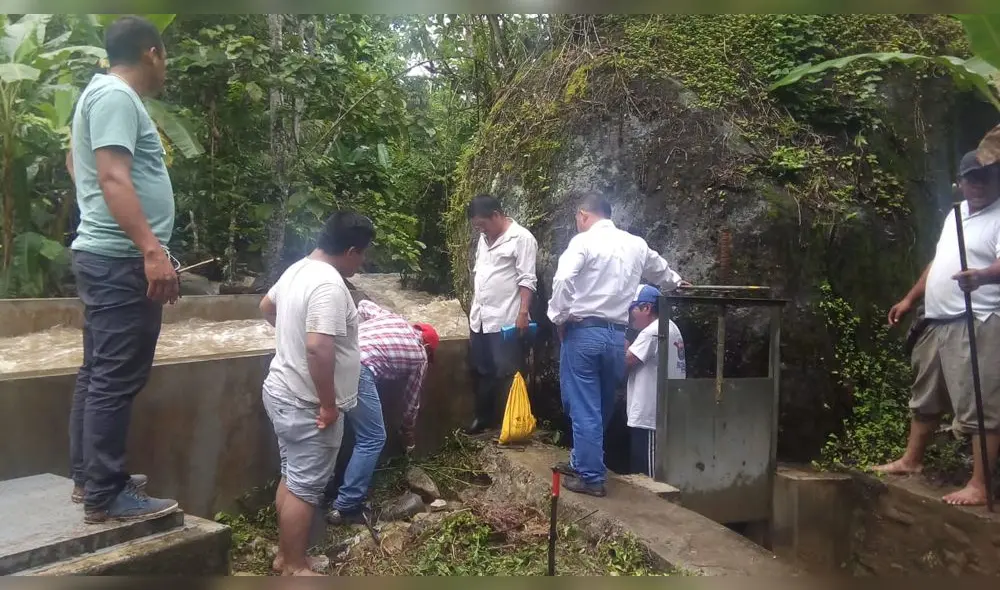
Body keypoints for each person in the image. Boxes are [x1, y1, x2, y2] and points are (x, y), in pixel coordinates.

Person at [67, 15, 180, 523]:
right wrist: (151, 250)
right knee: (114, 375)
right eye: (165, 56)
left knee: (98, 372)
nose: (166, 66)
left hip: (107, 253)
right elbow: (112, 177)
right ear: (151, 53)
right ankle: (105, 493)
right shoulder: (116, 97)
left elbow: (77, 163)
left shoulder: (96, 94)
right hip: (119, 260)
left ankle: (89, 476)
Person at [876, 150, 1000, 507]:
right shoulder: (956, 214)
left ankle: (980, 484)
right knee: (926, 395)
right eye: (971, 178)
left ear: (996, 180)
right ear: (960, 182)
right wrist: (910, 298)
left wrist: (983, 276)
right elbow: (938, 261)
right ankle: (911, 461)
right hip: (937, 319)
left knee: (981, 403)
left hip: (978, 319)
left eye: (984, 177)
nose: (977, 184)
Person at [547, 192, 689, 497]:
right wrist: (676, 282)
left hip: (584, 332)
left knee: (583, 406)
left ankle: (591, 477)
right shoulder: (635, 244)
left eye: (577, 219)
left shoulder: (583, 242)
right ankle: (582, 460)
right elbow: (660, 269)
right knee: (600, 404)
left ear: (584, 215)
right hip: (616, 337)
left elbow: (563, 281)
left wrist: (558, 316)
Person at [259, 211, 374, 576]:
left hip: (281, 389)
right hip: (307, 403)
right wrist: (327, 404)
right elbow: (318, 348)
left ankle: (286, 558)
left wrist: (289, 335)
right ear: (352, 250)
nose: (364, 261)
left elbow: (266, 306)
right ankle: (294, 568)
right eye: (364, 254)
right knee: (305, 489)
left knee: (292, 478)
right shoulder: (329, 284)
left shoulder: (298, 269)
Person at [325, 299, 439, 525]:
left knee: (341, 430)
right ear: (427, 346)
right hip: (359, 368)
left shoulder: (391, 318)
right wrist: (408, 436)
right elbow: (411, 403)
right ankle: (346, 506)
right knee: (373, 438)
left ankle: (329, 490)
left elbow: (363, 304)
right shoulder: (420, 355)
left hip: (332, 357)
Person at [465, 194, 538, 435]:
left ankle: (512, 423)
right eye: (476, 227)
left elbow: (527, 278)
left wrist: (523, 312)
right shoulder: (483, 240)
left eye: (482, 225)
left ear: (496, 215)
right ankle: (483, 419)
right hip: (481, 317)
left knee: (506, 370)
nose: (480, 230)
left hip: (505, 317)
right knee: (481, 368)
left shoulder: (522, 238)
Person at [625, 285, 686, 477]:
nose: (629, 314)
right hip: (662, 412)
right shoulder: (670, 326)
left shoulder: (653, 331)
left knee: (649, 478)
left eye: (631, 308)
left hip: (649, 417)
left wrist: (622, 333)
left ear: (646, 308)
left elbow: (626, 360)